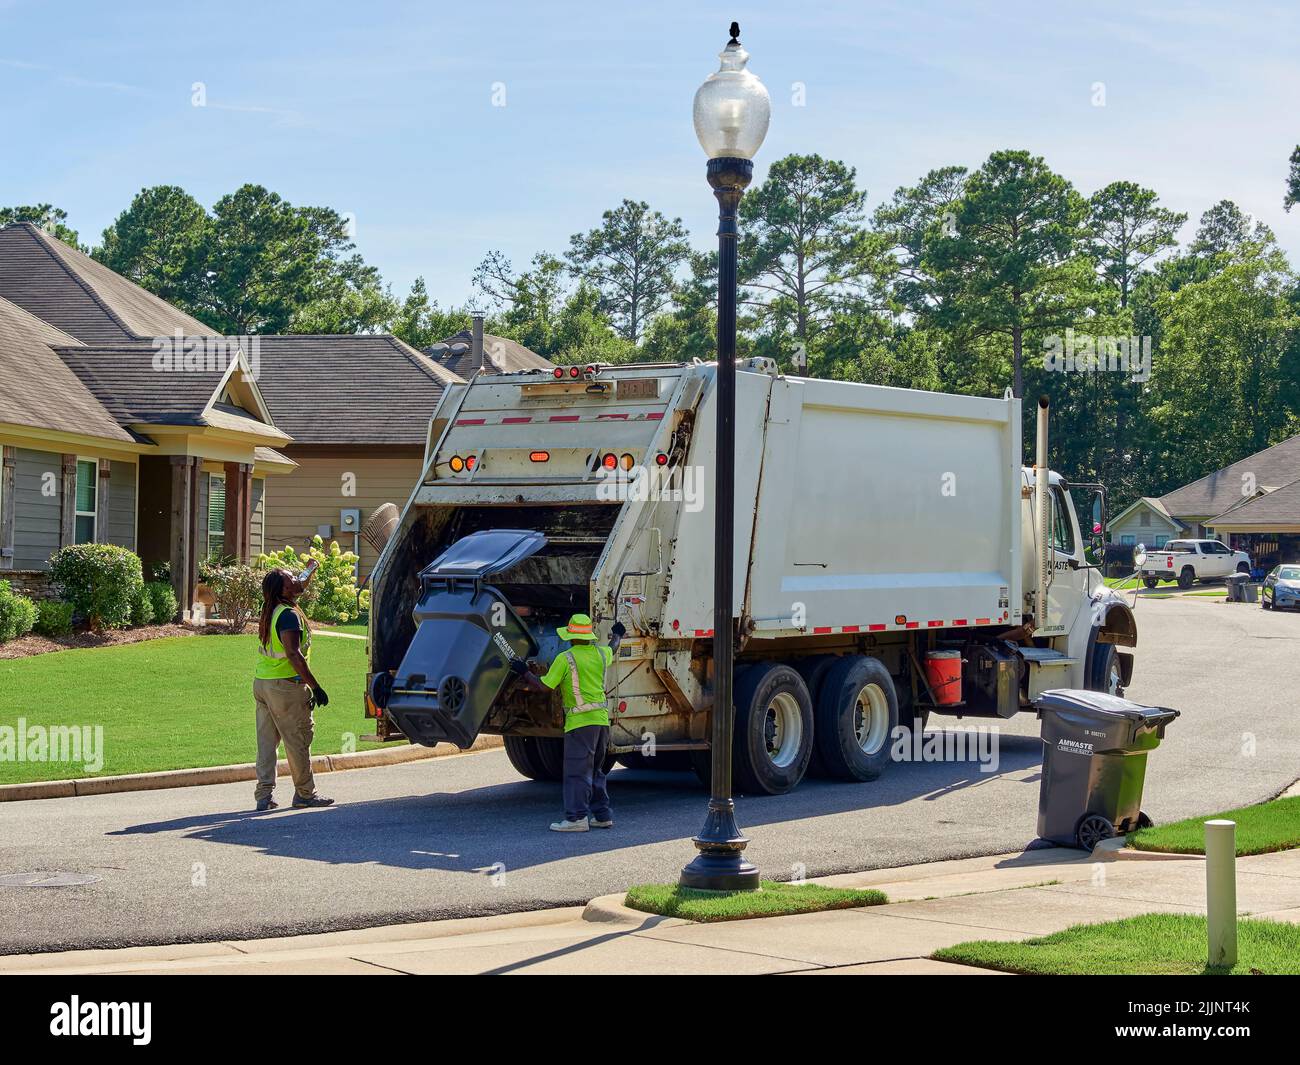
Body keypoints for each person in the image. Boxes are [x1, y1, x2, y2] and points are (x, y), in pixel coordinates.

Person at [510, 612, 624, 832]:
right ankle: (602, 815)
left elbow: (544, 687)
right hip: (601, 722)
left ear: (571, 637)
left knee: (576, 772)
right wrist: (618, 633)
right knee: (596, 769)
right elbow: (614, 646)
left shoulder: (566, 658)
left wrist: (524, 672)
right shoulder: (600, 654)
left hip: (580, 724)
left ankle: (576, 819)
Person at [252, 568, 335, 812]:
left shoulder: (271, 610)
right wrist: (315, 686)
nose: (297, 582)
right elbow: (293, 654)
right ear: (284, 589)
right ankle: (305, 794)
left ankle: (263, 795)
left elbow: (301, 586)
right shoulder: (288, 615)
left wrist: (310, 570)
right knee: (297, 739)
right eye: (292, 580)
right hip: (285, 687)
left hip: (263, 682)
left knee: (267, 743)